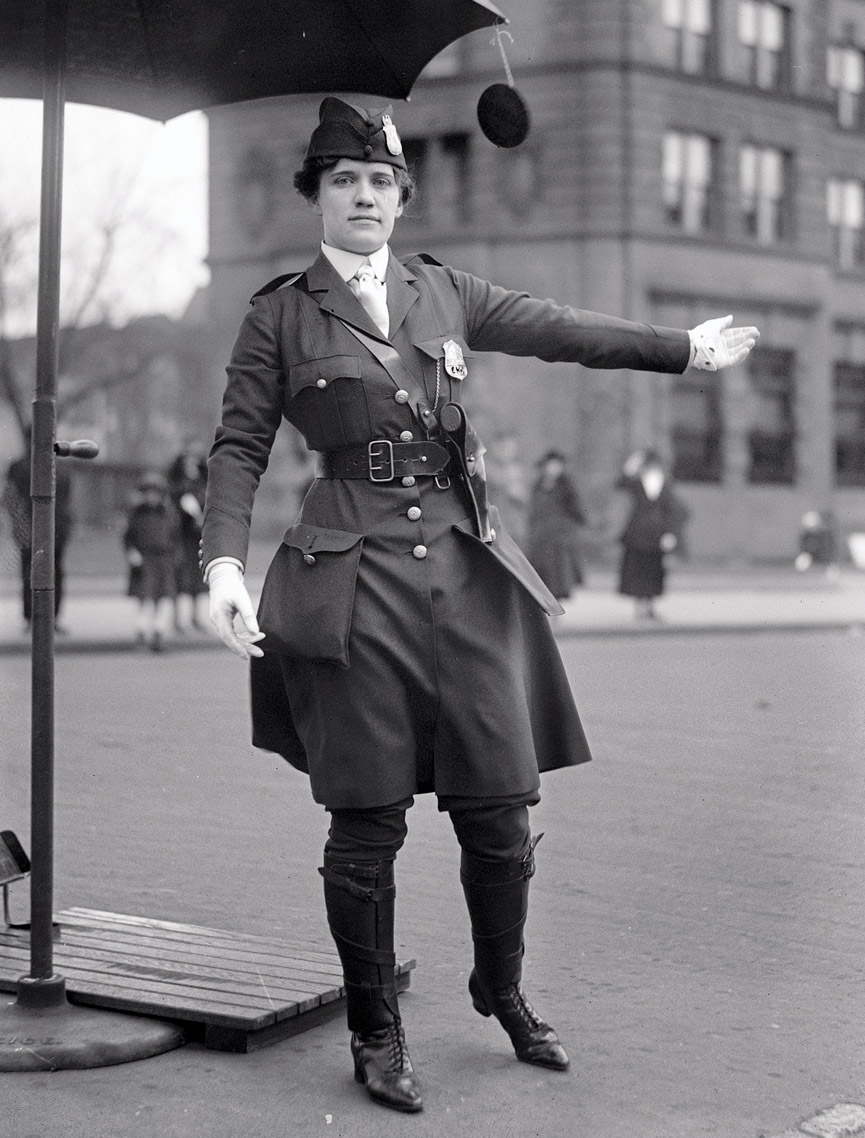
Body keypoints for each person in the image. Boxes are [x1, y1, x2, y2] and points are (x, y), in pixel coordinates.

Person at [201, 97, 758, 1114]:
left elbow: (559, 327)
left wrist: (677, 347)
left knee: (501, 812)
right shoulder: (278, 313)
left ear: (400, 199)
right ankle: (377, 1031)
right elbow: (237, 446)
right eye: (343, 183)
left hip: (463, 573)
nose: (363, 197)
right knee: (366, 823)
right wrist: (222, 568)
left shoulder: (442, 290)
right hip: (349, 578)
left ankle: (499, 987)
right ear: (317, 199)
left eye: (378, 184)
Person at [1, 427, 73, 634]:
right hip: (47, 529)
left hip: (45, 529)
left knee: (35, 572)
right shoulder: (55, 467)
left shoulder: (22, 467)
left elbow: (9, 499)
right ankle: (45, 617)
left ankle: (38, 617)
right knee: (49, 572)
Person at [616, 448, 689, 619]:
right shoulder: (637, 483)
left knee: (654, 572)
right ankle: (639, 606)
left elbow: (671, 511)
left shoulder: (666, 484)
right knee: (637, 570)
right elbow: (620, 483)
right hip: (638, 533)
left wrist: (670, 534)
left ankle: (649, 607)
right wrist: (632, 464)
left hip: (657, 535)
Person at [123, 471, 180, 652]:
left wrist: (175, 559)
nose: (152, 497)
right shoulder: (137, 514)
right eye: (148, 493)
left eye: (155, 493)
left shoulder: (169, 513)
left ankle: (159, 634)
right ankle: (141, 633)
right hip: (144, 560)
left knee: (163, 600)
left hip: (164, 560)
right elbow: (128, 538)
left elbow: (175, 538)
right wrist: (132, 552)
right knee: (144, 599)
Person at [525, 450, 586, 601]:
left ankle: (555, 607)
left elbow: (577, 512)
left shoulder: (566, 487)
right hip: (540, 537)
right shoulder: (538, 485)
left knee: (558, 576)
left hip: (559, 538)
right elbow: (533, 510)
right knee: (540, 574)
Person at [167, 444, 209, 632]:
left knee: (197, 578)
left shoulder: (204, 484)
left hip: (197, 538)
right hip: (180, 537)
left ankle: (195, 618)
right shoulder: (176, 485)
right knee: (179, 577)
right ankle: (176, 620)